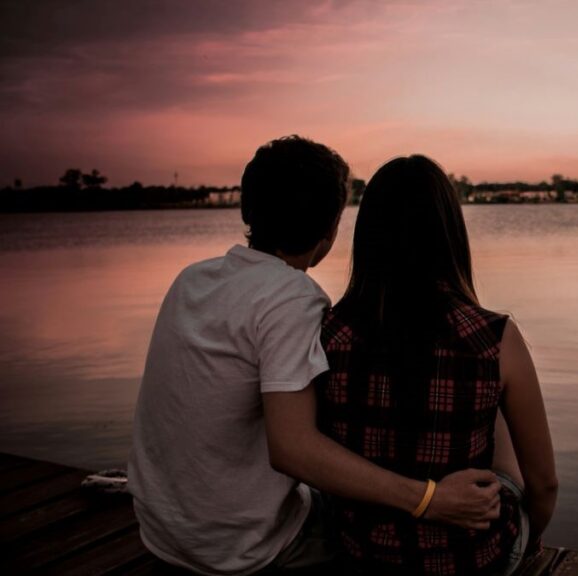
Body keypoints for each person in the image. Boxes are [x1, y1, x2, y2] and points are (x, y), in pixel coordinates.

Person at [128, 137, 501, 576]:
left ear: (247, 211)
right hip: (240, 549)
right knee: (372, 526)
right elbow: (292, 451)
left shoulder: (191, 280)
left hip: (161, 530)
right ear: (330, 231)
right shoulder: (292, 298)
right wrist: (428, 499)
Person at [317, 155, 558, 575]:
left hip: (362, 554)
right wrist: (530, 539)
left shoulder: (329, 333)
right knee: (494, 399)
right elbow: (544, 485)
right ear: (449, 233)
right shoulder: (494, 337)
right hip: (469, 560)